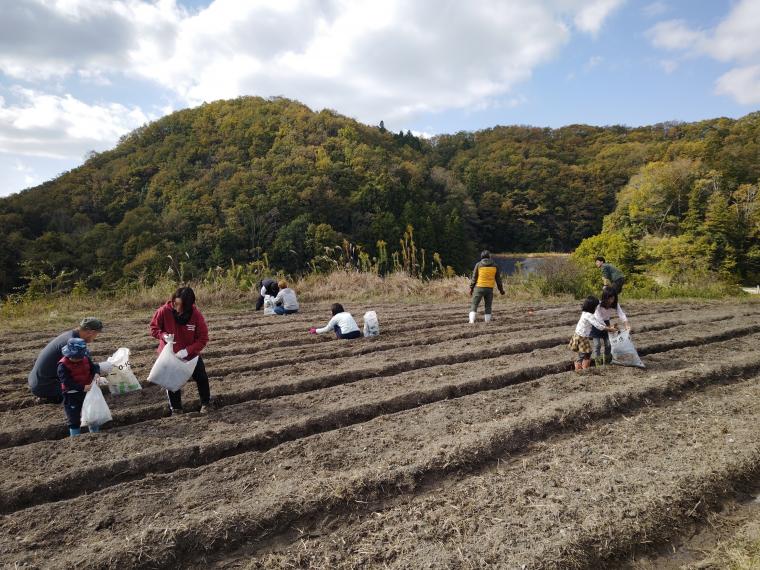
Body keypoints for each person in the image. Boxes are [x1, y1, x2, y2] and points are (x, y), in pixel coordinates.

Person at [149, 286, 212, 415]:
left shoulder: (196, 316)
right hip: (170, 355)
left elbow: (203, 338)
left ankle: (206, 404)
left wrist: (187, 351)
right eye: (175, 303)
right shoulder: (164, 311)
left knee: (201, 378)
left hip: (190, 355)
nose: (176, 307)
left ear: (189, 305)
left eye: (180, 305)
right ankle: (176, 409)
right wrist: (163, 335)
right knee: (172, 382)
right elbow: (154, 328)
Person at [28, 317, 113, 404]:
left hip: (38, 380)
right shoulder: (72, 345)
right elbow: (79, 372)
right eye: (96, 334)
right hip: (45, 385)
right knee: (85, 393)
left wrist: (97, 371)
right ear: (90, 332)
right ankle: (52, 397)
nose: (95, 337)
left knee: (99, 372)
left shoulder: (71, 337)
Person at [57, 337, 103, 436]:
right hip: (71, 395)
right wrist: (82, 387)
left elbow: (94, 367)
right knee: (74, 418)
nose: (79, 359)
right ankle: (75, 437)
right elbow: (66, 382)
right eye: (76, 357)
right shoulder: (63, 365)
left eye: (80, 357)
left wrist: (96, 373)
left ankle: (95, 434)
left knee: (92, 414)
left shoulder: (86, 359)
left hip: (88, 393)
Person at [568, 296, 617, 371]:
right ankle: (579, 369)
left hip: (580, 336)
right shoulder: (588, 315)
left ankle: (583, 368)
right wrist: (609, 329)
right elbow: (598, 325)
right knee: (583, 354)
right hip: (581, 337)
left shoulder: (585, 313)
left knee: (586, 353)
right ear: (592, 307)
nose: (596, 309)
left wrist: (609, 326)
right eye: (595, 307)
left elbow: (599, 321)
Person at [591, 287, 630, 366]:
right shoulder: (598, 305)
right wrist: (609, 328)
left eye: (613, 298)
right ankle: (598, 364)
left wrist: (626, 324)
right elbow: (599, 319)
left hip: (606, 323)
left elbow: (621, 313)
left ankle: (607, 363)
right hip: (596, 324)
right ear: (605, 297)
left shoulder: (615, 304)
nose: (611, 301)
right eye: (609, 299)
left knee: (608, 344)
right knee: (597, 345)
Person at [468, 250, 505, 323]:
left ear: (481, 257)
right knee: (488, 306)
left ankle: (471, 321)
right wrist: (501, 290)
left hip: (479, 288)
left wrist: (471, 288)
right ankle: (487, 322)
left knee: (474, 304)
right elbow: (498, 280)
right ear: (489, 257)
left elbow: (474, 278)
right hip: (489, 289)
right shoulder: (495, 266)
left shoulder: (478, 265)